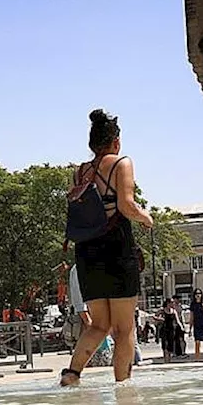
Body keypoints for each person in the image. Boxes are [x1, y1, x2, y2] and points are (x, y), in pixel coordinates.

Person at [61, 109, 154, 386]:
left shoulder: (79, 172)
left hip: (87, 251)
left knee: (99, 325)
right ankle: (123, 386)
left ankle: (72, 374)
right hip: (116, 247)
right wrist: (146, 218)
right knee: (124, 328)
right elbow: (126, 205)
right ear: (116, 141)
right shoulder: (121, 163)